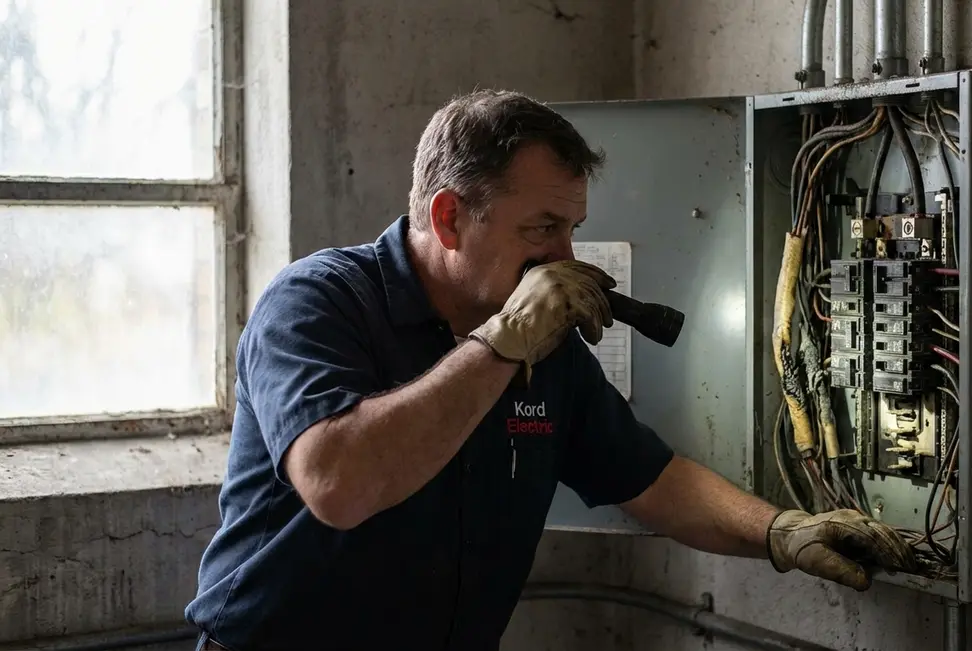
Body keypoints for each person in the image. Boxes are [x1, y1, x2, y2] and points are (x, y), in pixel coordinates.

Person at [185, 89, 915, 651]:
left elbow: (652, 480)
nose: (565, 255)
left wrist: (782, 532)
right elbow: (338, 484)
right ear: (448, 218)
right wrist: (502, 343)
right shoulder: (316, 304)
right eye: (542, 227)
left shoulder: (543, 340)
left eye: (572, 228)